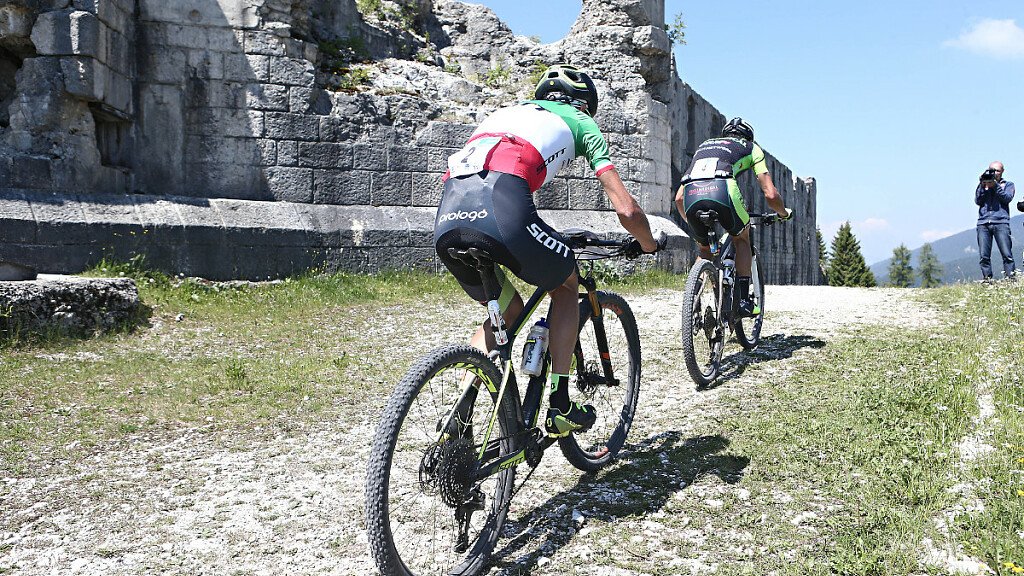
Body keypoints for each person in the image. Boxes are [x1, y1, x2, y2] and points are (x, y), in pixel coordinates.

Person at [433, 64, 661, 437]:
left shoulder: (503, 113)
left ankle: (458, 415)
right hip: (502, 210)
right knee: (566, 284)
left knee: (506, 311)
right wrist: (649, 244)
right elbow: (627, 210)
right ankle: (559, 403)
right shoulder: (581, 121)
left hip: (448, 219)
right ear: (584, 104)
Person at [674, 118, 791, 316]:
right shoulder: (752, 148)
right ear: (748, 137)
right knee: (741, 238)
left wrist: (695, 227)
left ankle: (691, 304)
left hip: (692, 194)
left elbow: (678, 198)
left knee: (704, 250)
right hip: (723, 189)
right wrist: (783, 213)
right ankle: (744, 301)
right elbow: (770, 194)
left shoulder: (704, 146)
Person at [975, 161, 1017, 281]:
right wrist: (982, 184)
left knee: (1007, 254)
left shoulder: (1008, 184)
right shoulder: (984, 184)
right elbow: (978, 201)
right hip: (983, 223)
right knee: (984, 256)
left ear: (1002, 171)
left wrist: (995, 186)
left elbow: (1007, 198)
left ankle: (1011, 279)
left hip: (1001, 222)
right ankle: (987, 280)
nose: (995, 173)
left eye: (997, 170)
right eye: (992, 170)